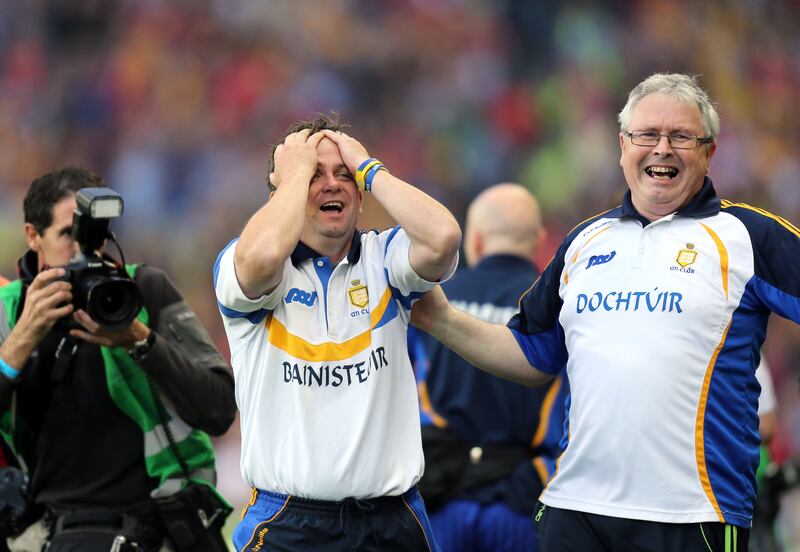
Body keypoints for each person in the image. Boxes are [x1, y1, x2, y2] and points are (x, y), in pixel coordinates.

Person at [410, 73, 800, 552]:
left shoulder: (748, 236)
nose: (663, 149)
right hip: (574, 511)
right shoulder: (583, 241)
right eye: (647, 135)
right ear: (622, 146)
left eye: (681, 137)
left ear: (709, 152)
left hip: (693, 515)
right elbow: (531, 356)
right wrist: (438, 318)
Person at [214, 114, 461, 552]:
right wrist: (293, 175)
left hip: (392, 522)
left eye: (343, 175)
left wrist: (370, 168)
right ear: (283, 193)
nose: (332, 184)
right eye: (314, 174)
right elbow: (263, 257)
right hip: (287, 523)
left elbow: (443, 239)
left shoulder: (386, 258)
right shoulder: (248, 262)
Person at [0, 167, 237, 551]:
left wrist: (141, 340)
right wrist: (24, 336)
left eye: (92, 236)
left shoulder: (142, 289)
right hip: (54, 530)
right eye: (66, 235)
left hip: (157, 523)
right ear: (33, 236)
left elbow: (220, 409)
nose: (81, 252)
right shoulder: (7, 313)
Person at [413, 183, 567, 552]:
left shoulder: (431, 302)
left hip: (442, 498)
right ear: (537, 240)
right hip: (522, 503)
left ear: (477, 240)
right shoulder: (559, 306)